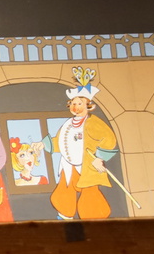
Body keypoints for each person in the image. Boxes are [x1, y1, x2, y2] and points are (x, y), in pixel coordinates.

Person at [41, 68, 118, 220]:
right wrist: (42, 144)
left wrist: (100, 158)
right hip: (68, 165)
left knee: (90, 194)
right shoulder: (68, 124)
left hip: (87, 166)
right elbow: (59, 141)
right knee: (64, 190)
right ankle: (65, 216)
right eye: (73, 103)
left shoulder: (93, 123)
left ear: (89, 106)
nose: (75, 107)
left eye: (80, 103)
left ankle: (94, 221)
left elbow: (109, 140)